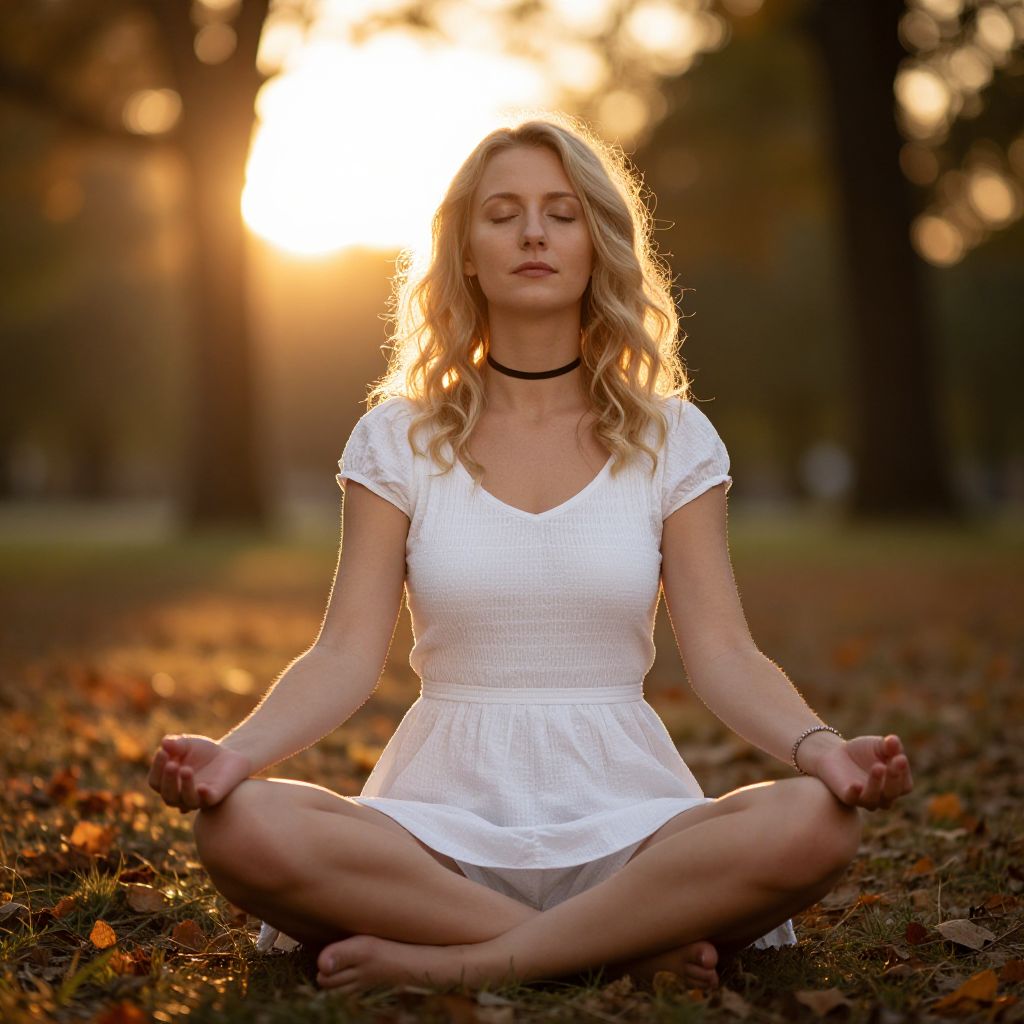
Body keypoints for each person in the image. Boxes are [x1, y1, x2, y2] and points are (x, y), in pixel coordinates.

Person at [147, 112, 913, 996]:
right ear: (466, 251)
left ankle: (464, 963)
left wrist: (821, 751)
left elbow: (724, 653)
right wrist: (233, 757)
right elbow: (345, 654)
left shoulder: (674, 436)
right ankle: (623, 951)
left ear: (598, 244)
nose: (534, 233)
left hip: (633, 826)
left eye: (561, 211)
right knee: (240, 829)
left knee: (818, 825)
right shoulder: (397, 438)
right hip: (436, 832)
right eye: (503, 212)